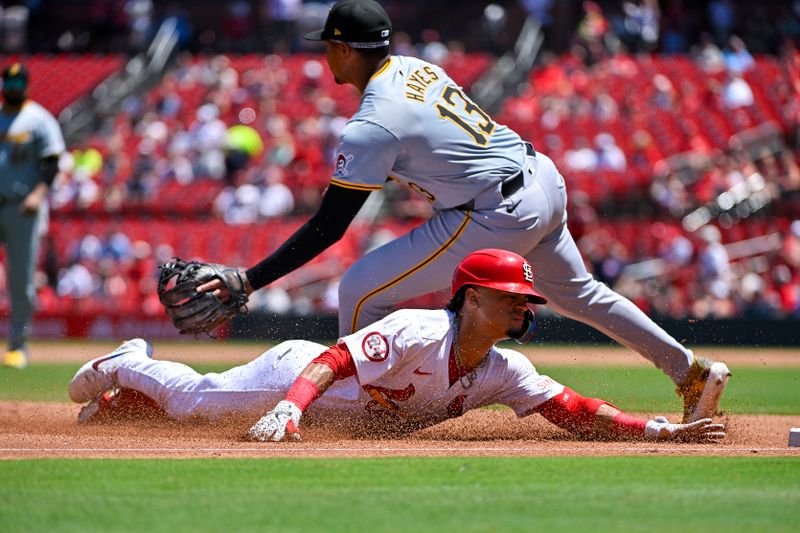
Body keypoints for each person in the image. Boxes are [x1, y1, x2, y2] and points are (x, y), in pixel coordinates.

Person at [198, 0, 729, 423]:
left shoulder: (371, 123)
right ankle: (689, 372)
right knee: (582, 295)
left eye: (329, 46)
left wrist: (250, 278)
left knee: (359, 287)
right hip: (540, 177)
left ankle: (367, 412)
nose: (326, 55)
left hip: (495, 210)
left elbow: (330, 225)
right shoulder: (414, 68)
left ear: (340, 50)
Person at [69, 249, 725, 443]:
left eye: (526, 300)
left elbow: (575, 408)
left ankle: (126, 403)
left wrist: (658, 430)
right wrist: (293, 406)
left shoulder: (502, 369)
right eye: (511, 297)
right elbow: (336, 358)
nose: (524, 306)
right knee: (197, 403)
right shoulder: (419, 330)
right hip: (299, 376)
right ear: (471, 298)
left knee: (194, 411)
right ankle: (130, 360)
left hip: (326, 402)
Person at [0, 63, 66, 369]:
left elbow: (52, 162)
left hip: (21, 205)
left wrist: (38, 195)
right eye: (8, 82)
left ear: (25, 85)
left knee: (21, 280)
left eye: (17, 82)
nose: (12, 87)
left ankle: (18, 345)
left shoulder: (39, 119)